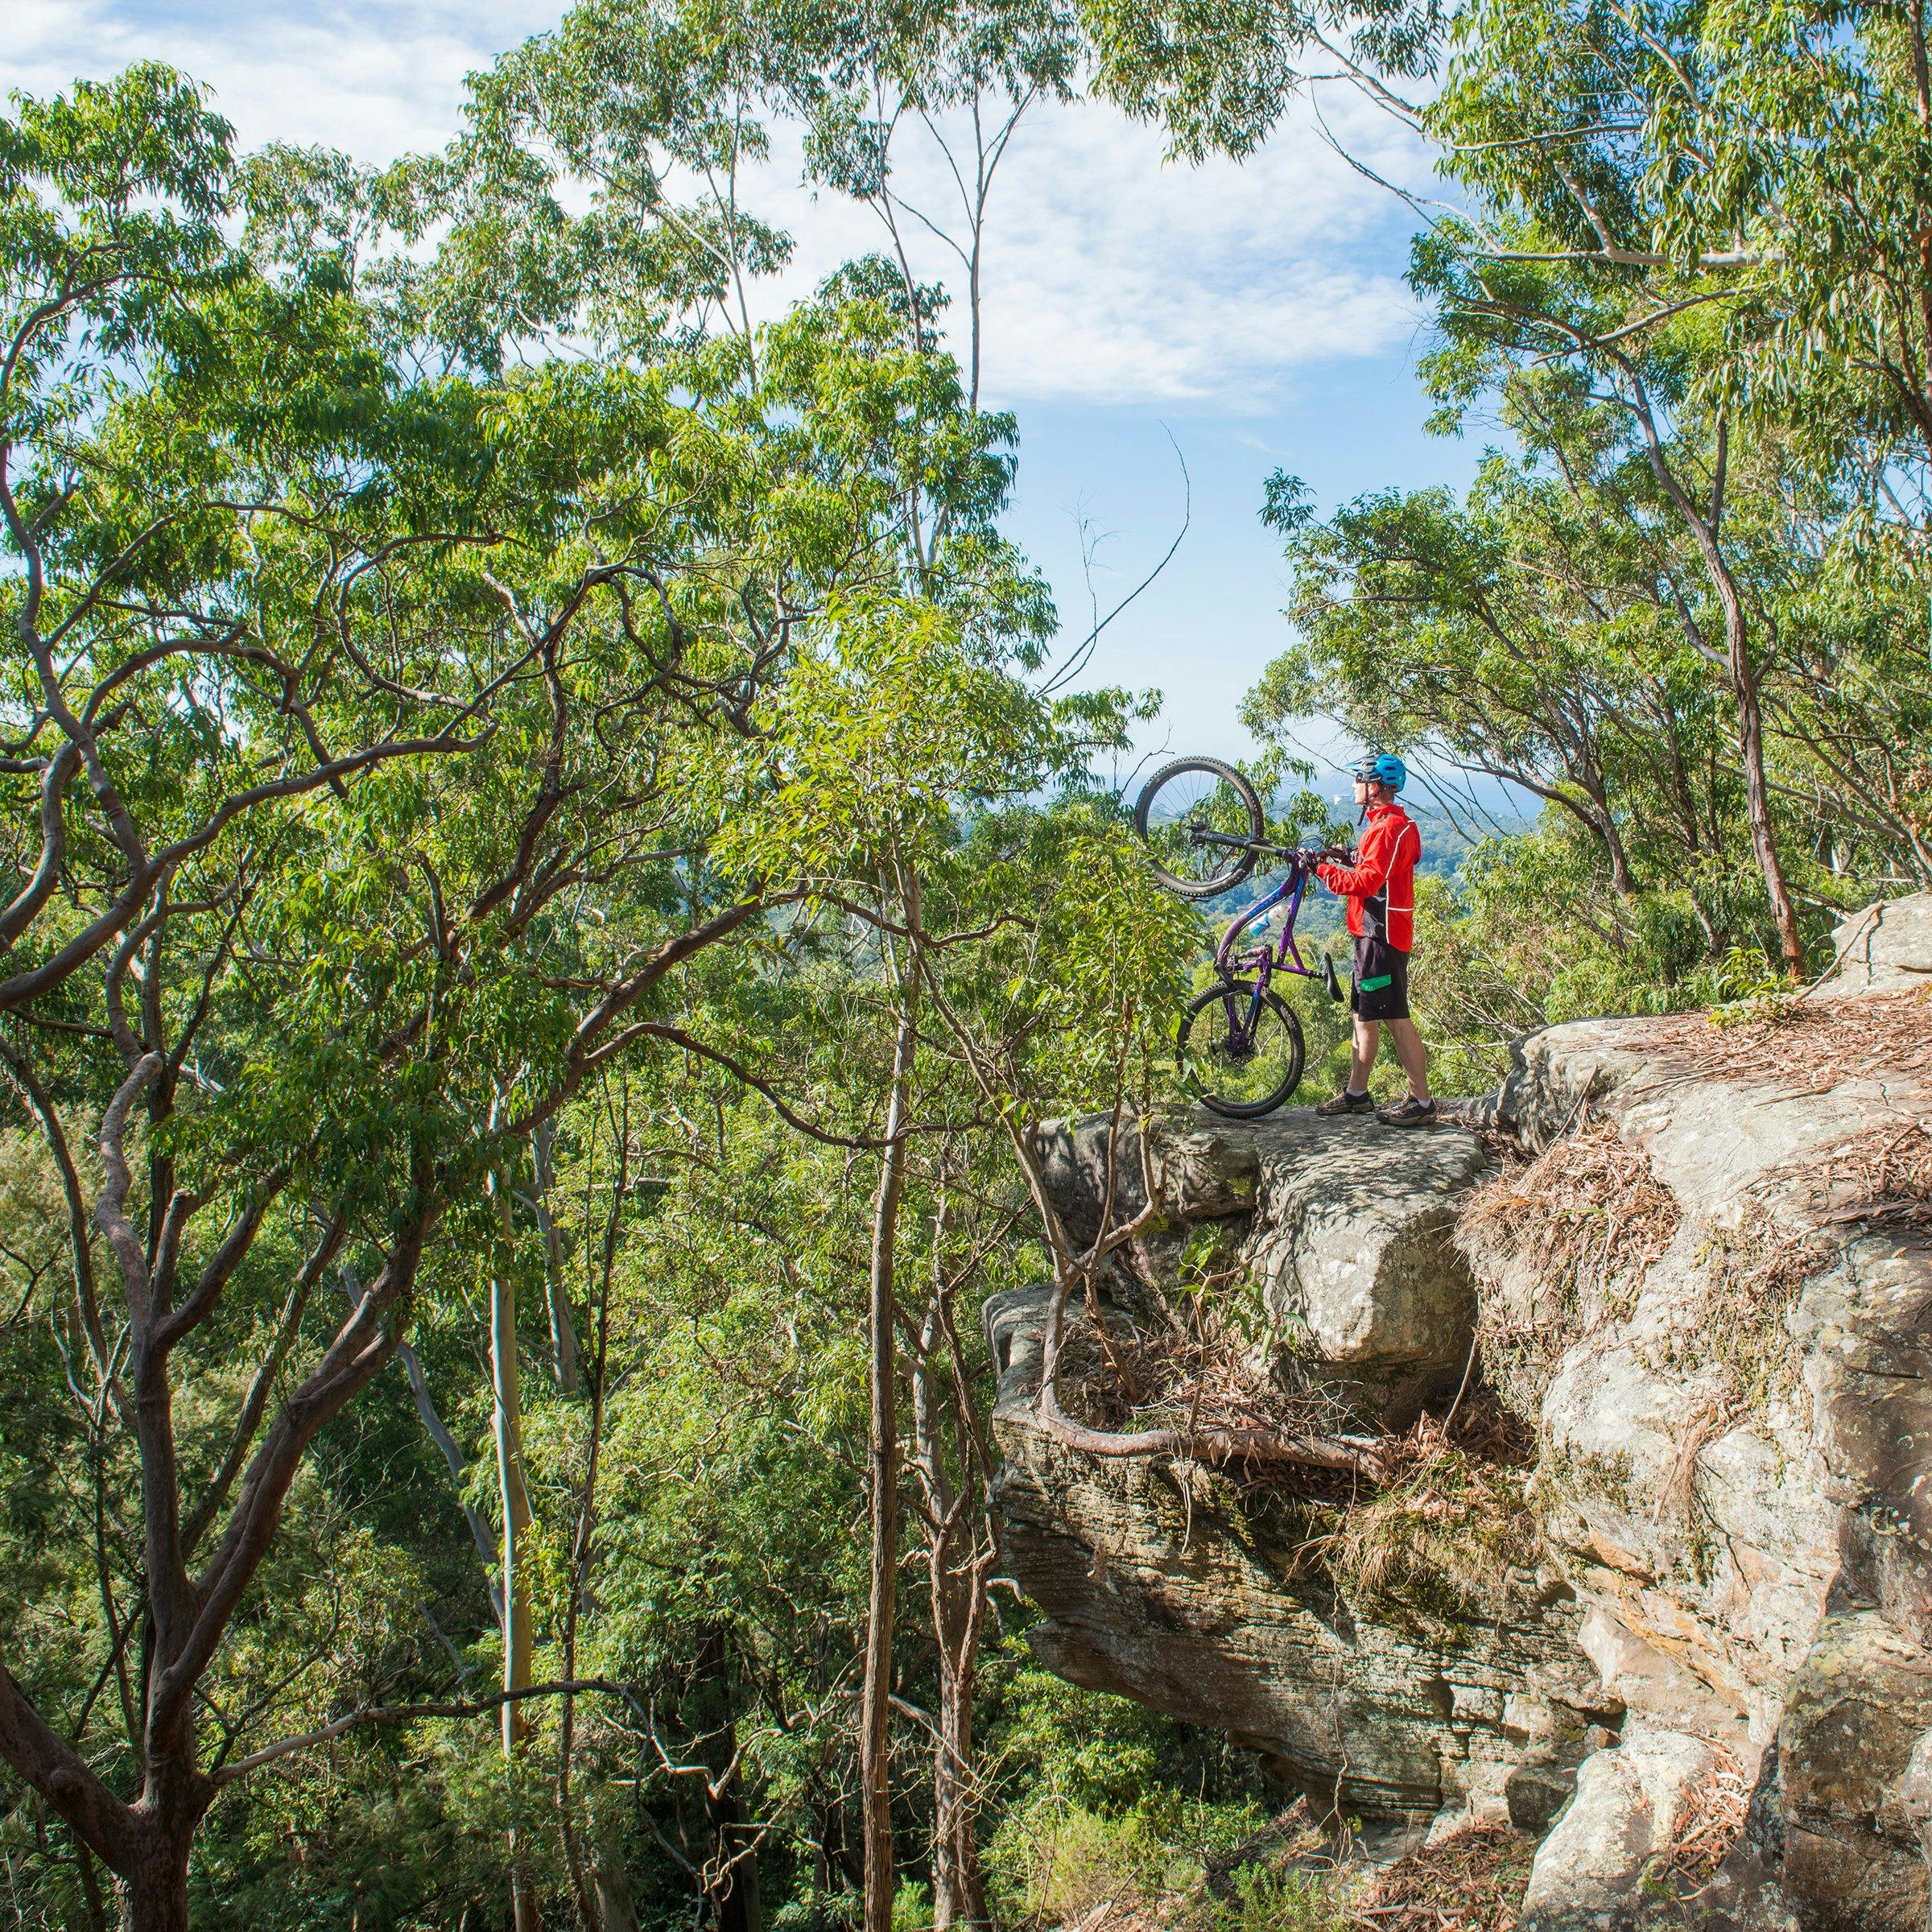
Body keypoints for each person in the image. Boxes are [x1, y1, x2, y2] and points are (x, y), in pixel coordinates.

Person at [1311, 753, 1435, 1126]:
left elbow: (1366, 883)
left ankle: (1422, 1101)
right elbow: (1379, 867)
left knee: (1395, 1016)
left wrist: (1319, 868)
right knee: (1364, 1015)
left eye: (1359, 779)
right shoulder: (1387, 825)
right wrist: (1347, 855)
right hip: (1371, 935)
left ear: (1375, 787)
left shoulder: (1386, 829)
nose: (1353, 786)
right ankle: (1357, 1094)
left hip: (1381, 937)